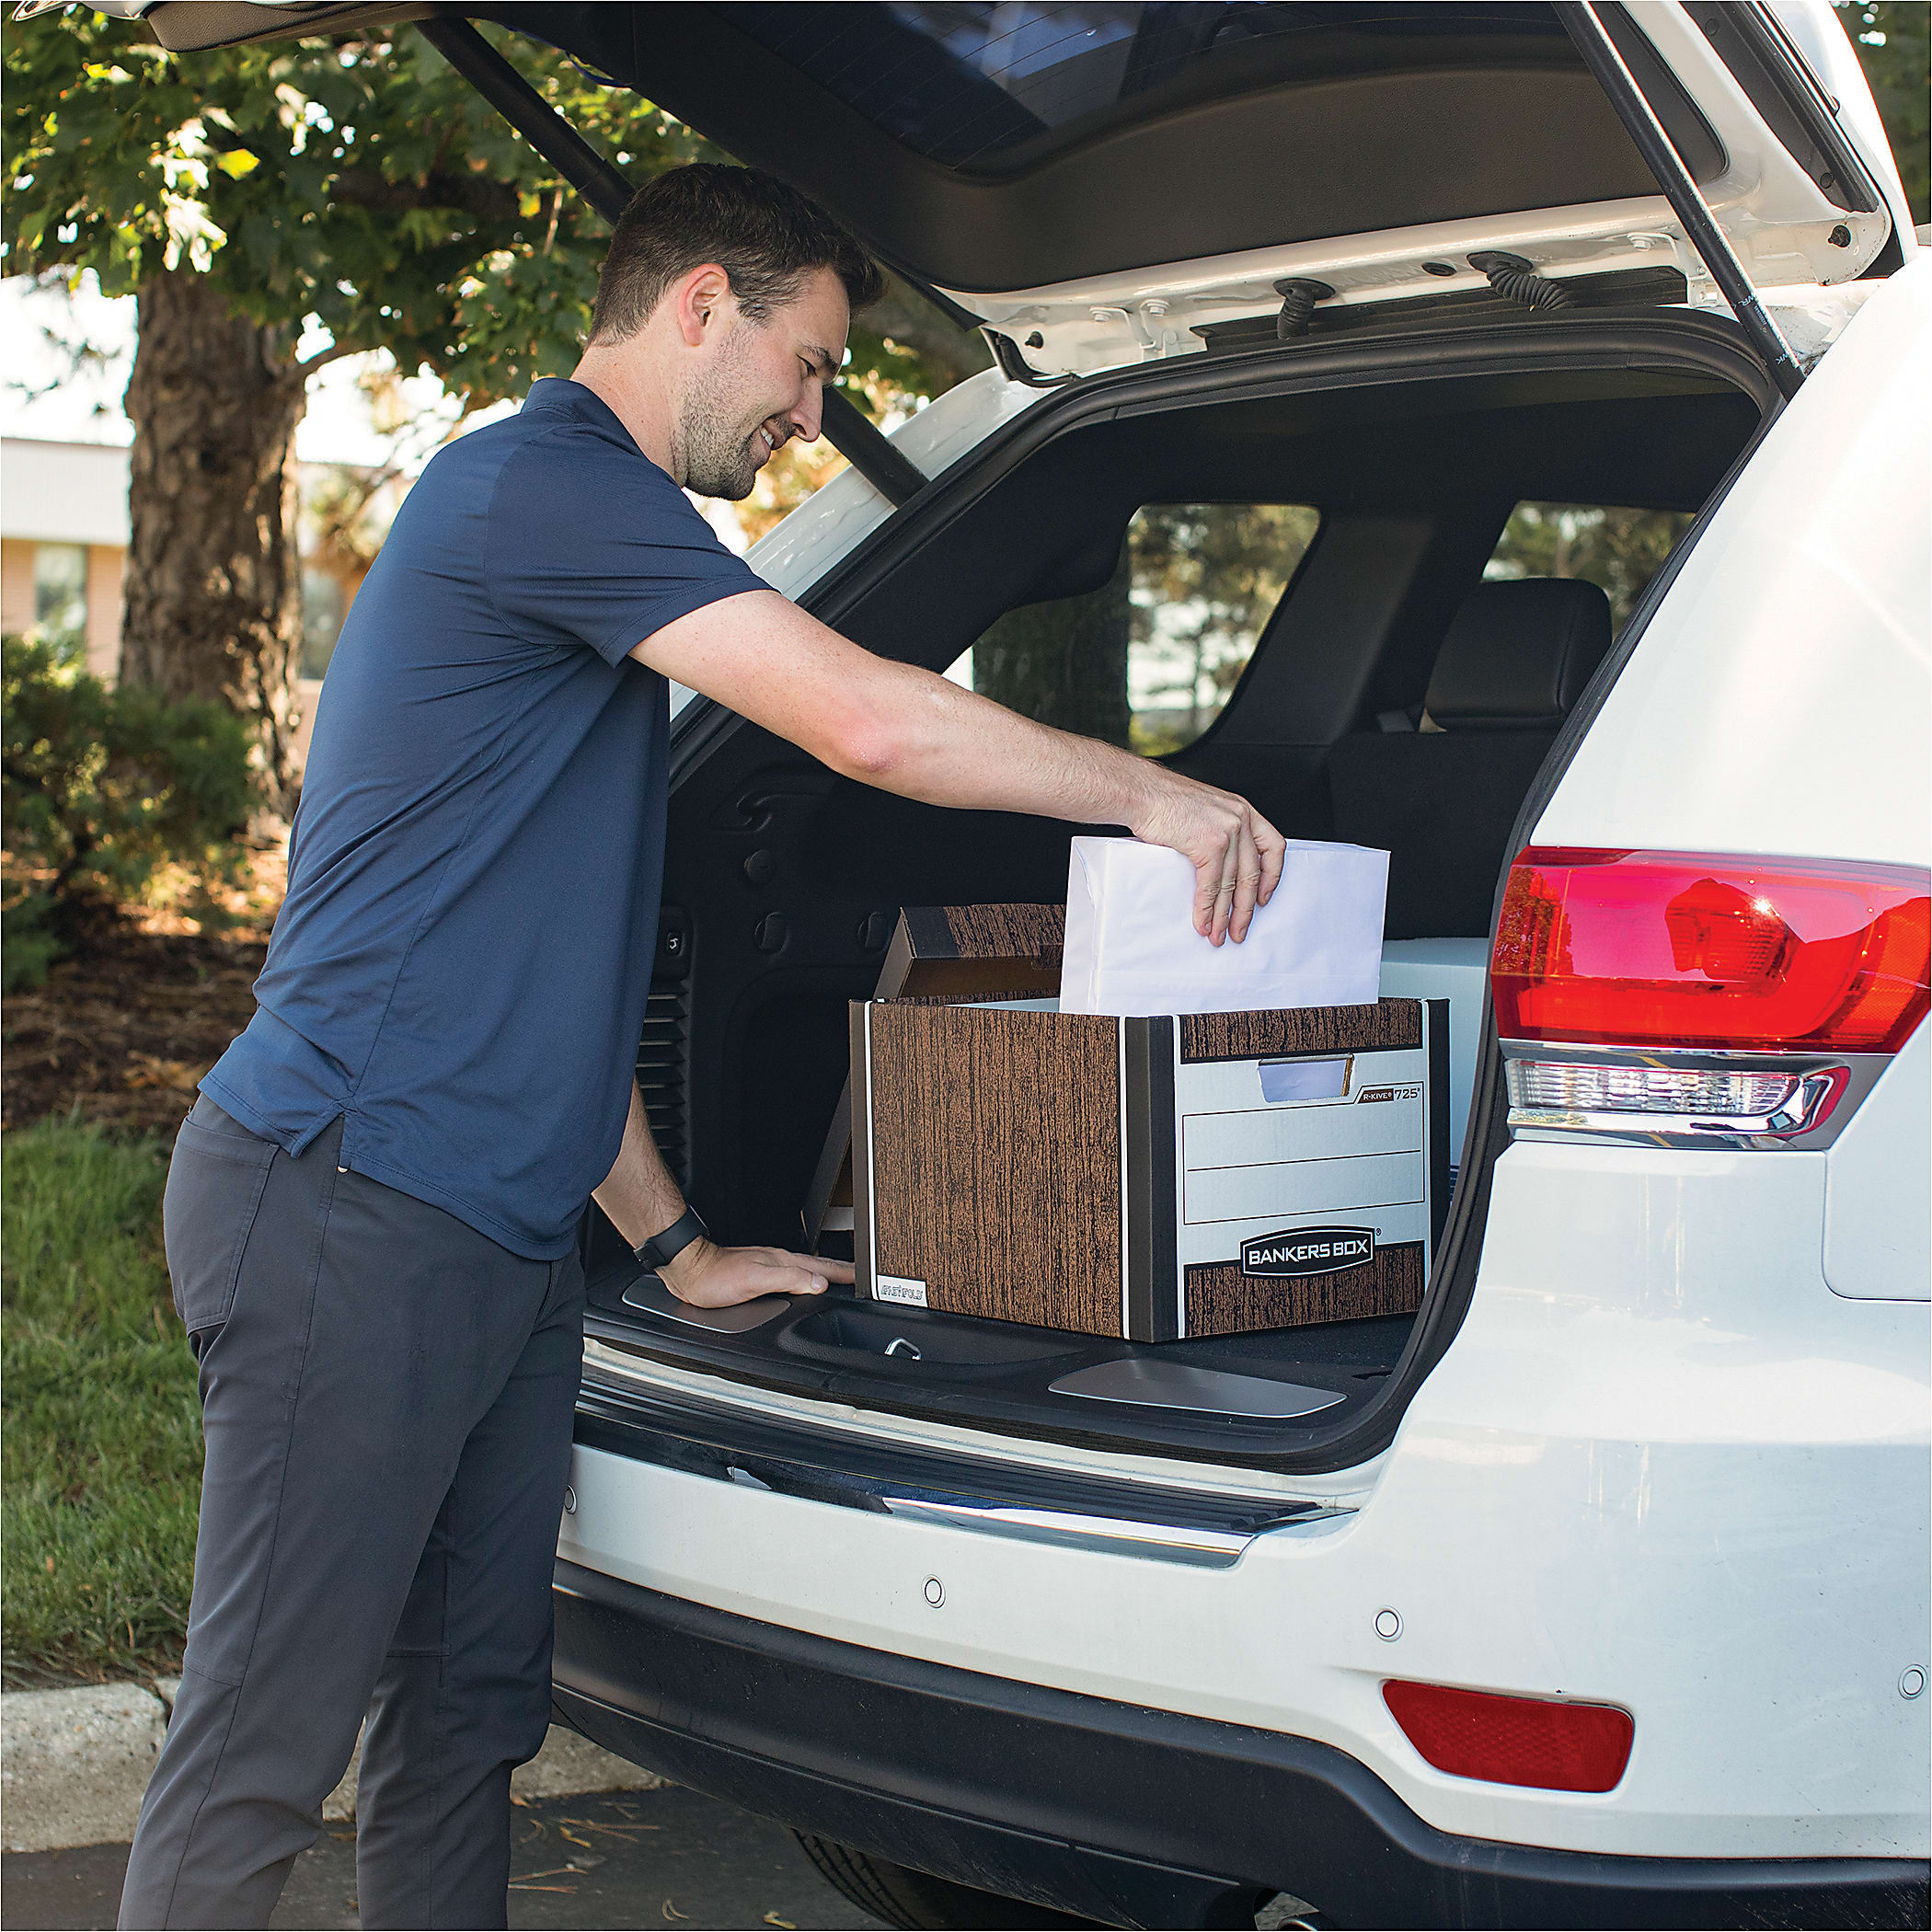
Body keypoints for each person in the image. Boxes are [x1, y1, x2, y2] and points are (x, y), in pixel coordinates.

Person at [118, 163, 1286, 1931]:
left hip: (494, 1241)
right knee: (260, 1756)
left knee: (466, 1726)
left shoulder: (597, 533)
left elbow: (534, 961)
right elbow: (869, 729)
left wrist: (668, 1240)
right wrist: (1160, 800)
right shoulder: (540, 491)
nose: (814, 416)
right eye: (806, 365)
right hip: (345, 1207)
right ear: (696, 309)